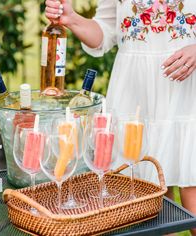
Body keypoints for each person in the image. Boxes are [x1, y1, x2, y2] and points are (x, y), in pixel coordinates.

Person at [45, 0, 196, 231]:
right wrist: (72, 19)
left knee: (193, 191)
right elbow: (104, 32)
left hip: (188, 92)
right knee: (151, 205)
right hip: (135, 94)